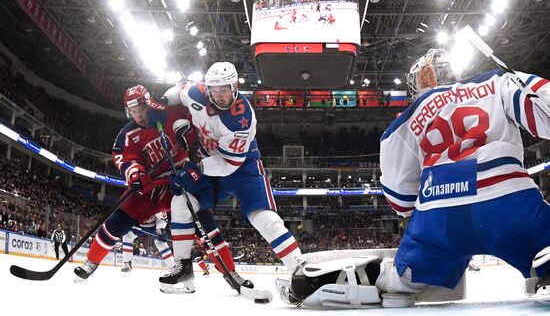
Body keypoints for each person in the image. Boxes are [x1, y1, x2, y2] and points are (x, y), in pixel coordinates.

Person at [276, 48, 550, 308]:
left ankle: (327, 281)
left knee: (400, 280)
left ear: (422, 81)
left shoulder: (406, 118)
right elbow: (545, 117)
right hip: (507, 200)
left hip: (438, 216)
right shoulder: (496, 81)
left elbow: (401, 200)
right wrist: (524, 80)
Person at [75, 85, 247, 292]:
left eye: (141, 110)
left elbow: (198, 123)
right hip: (149, 187)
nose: (138, 116)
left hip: (179, 182)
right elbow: (123, 157)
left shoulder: (170, 114)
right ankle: (91, 263)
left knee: (204, 225)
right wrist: (135, 174)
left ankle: (231, 273)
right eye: (133, 112)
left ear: (148, 104)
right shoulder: (128, 134)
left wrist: (188, 134)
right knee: (117, 222)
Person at [158, 62, 302, 292]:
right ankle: (183, 266)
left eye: (223, 89)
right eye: (214, 90)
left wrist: (195, 169)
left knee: (263, 218)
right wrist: (162, 103)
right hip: (209, 162)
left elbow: (228, 164)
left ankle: (300, 271)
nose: (219, 95)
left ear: (234, 86)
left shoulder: (241, 117)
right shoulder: (197, 92)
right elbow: (178, 91)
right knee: (181, 202)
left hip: (242, 166)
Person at [121, 212, 174, 276]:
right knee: (127, 236)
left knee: (160, 243)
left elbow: (163, 218)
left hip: (154, 226)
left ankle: (172, 268)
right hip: (139, 224)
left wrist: (160, 229)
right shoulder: (134, 202)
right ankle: (127, 263)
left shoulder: (157, 203)